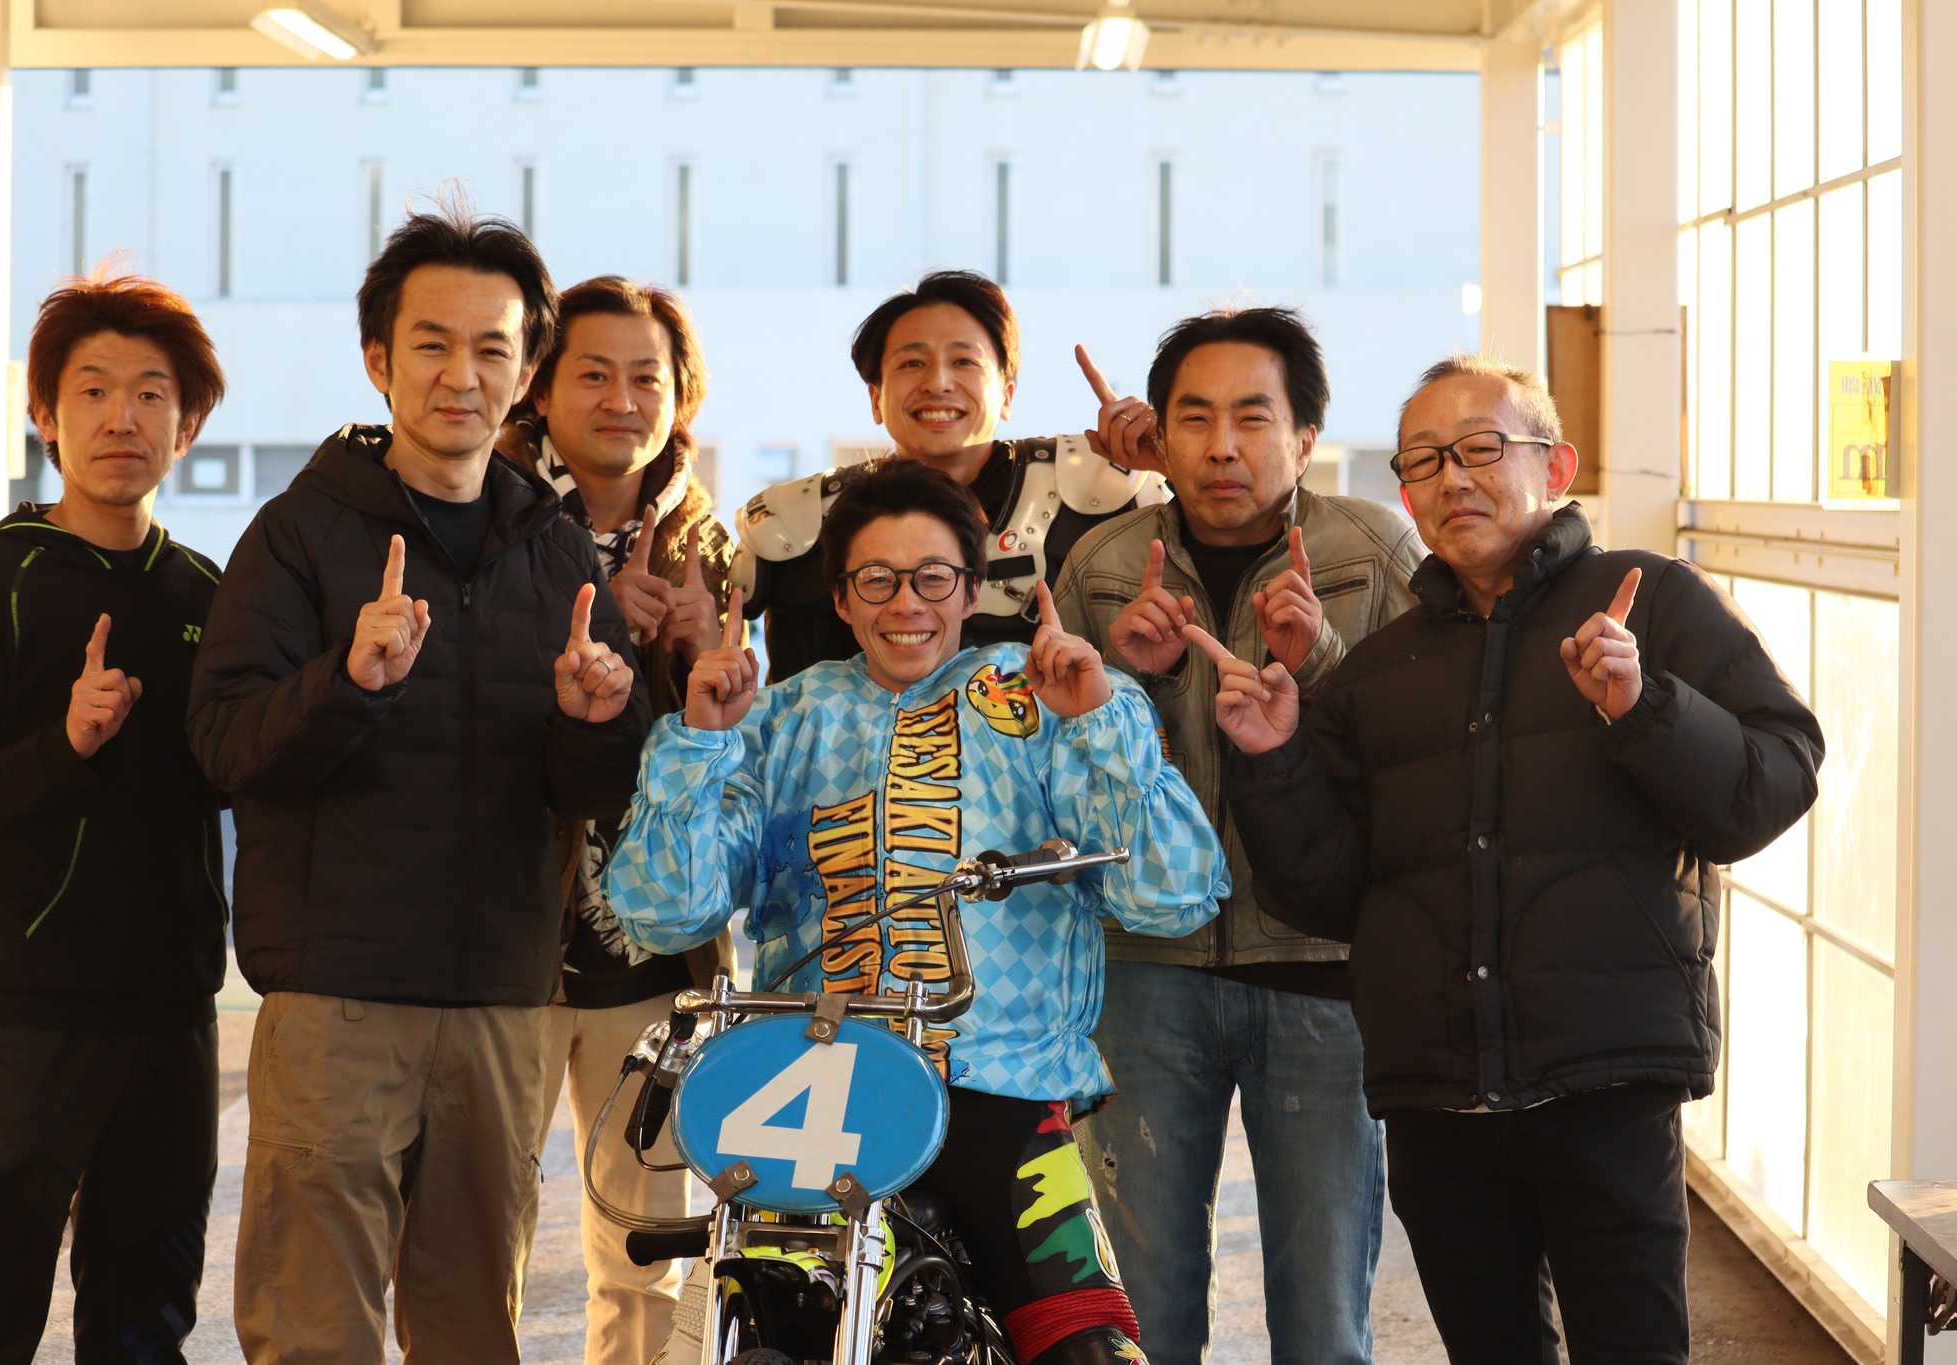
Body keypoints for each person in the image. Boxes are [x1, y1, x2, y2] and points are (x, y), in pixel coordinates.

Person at [1196, 354, 1824, 1365]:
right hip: (1436, 1097)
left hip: (1605, 1081)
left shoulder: (1652, 604)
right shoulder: (1378, 672)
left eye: (1480, 449)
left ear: (1555, 465)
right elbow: (1324, 892)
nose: (1451, 478)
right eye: (1423, 460)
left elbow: (1772, 782)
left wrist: (1645, 707)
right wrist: (1274, 763)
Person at [608, 457, 1229, 1365]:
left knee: (1092, 1353)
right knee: (769, 1341)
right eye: (878, 579)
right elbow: (664, 913)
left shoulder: (1044, 691)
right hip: (809, 1099)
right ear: (841, 597)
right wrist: (700, 740)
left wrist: (1098, 716)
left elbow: (1173, 895)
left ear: (973, 589)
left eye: (934, 577)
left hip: (1006, 1091)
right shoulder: (776, 717)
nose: (907, 603)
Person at [186, 201, 650, 1364]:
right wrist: (347, 682)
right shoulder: (298, 535)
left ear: (525, 375)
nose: (461, 374)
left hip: (503, 1001)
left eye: (492, 348)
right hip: (339, 997)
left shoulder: (551, 545)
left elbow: (587, 790)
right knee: (314, 1327)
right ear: (377, 359)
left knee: (473, 1329)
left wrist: (600, 719)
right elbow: (225, 744)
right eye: (431, 344)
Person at [1053, 306, 1425, 1365]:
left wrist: (1320, 666)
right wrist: (1131, 682)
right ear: (1156, 437)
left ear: (1304, 437)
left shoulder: (1372, 551)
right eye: (1196, 417)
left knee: (1322, 1312)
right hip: (1141, 970)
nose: (1223, 445)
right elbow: (1058, 775)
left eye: (1253, 417)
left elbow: (1424, 750)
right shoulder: (1103, 565)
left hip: (1323, 970)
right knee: (1142, 1304)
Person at [0, 272, 227, 1363]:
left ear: (187, 425)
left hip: (174, 1014)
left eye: (151, 393)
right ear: (45, 414)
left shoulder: (205, 593)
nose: (121, 417)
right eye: (92, 390)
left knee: (147, 1323)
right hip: (26, 1017)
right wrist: (65, 746)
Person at [497, 274, 737, 1363]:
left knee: (648, 1250)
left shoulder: (709, 544)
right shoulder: (479, 518)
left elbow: (727, 752)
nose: (622, 399)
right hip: (495, 936)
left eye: (648, 376)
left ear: (680, 396)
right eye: (592, 373)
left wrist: (695, 657)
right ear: (540, 386)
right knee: (472, 1238)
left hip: (651, 952)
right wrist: (575, 626)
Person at [732, 268, 1163, 681]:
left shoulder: (1111, 492)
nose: (938, 383)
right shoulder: (799, 525)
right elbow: (782, 703)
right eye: (911, 363)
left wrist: (1168, 460)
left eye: (963, 361)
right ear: (876, 399)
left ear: (1007, 395)